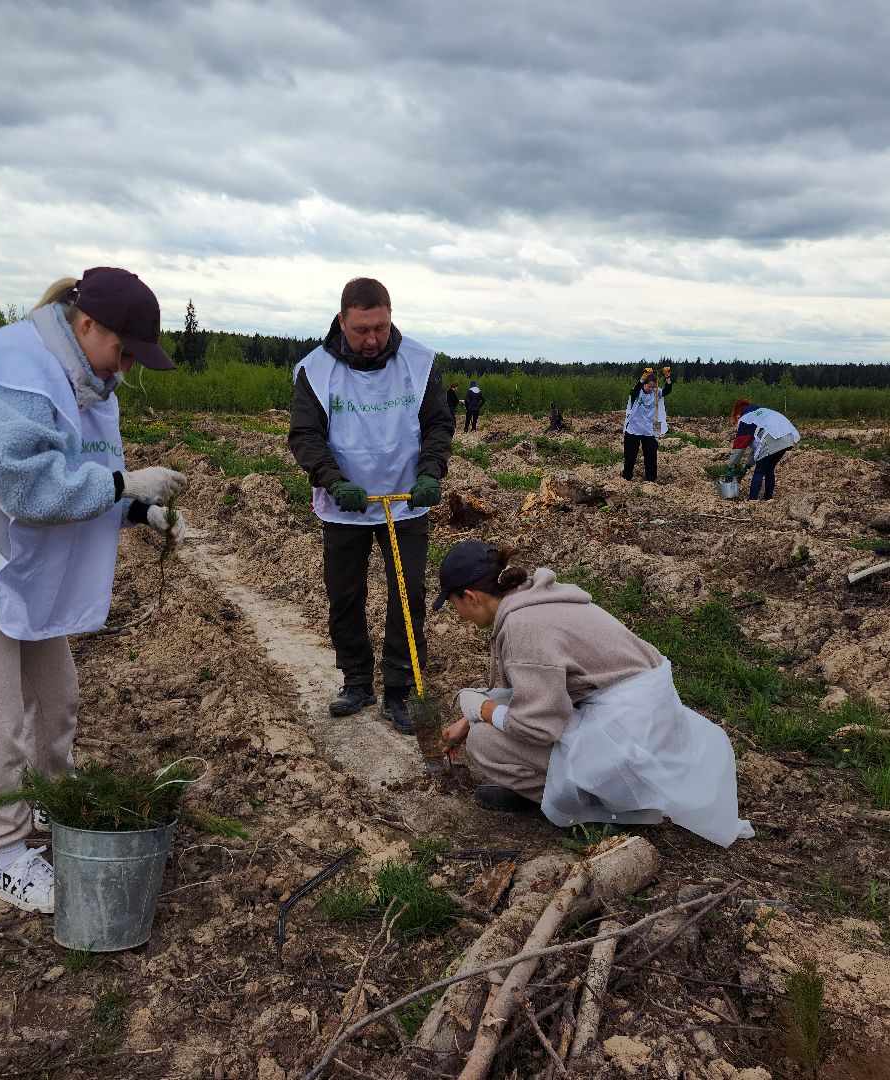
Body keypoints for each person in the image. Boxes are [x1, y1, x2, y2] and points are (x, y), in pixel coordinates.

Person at [0, 267, 186, 914]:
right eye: (124, 352)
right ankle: (9, 855)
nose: (126, 370)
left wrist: (137, 511)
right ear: (87, 326)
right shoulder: (16, 366)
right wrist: (125, 488)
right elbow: (27, 485)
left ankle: (57, 805)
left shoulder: (85, 374)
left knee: (56, 699)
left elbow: (85, 466)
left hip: (19, 566)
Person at [434, 540, 752, 847]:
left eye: (454, 605)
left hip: (628, 744)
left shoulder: (523, 628)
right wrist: (472, 715)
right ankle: (584, 789)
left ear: (470, 596)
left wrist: (482, 711)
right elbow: (538, 690)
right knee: (484, 727)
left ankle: (602, 807)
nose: (458, 614)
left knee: (484, 742)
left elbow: (538, 728)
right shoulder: (533, 600)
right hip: (641, 726)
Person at [288, 277, 455, 734]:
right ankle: (356, 680)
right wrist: (333, 481)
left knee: (408, 595)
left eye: (380, 328)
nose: (371, 339)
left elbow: (438, 424)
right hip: (344, 505)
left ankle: (399, 688)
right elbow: (305, 435)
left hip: (405, 501)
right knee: (345, 596)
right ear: (342, 321)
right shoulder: (315, 370)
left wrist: (431, 471)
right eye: (361, 330)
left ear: (390, 316)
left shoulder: (419, 364)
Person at [728, 399, 800, 501]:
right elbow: (758, 448)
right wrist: (747, 466)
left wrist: (731, 468)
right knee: (769, 468)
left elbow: (739, 447)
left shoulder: (747, 419)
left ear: (738, 414)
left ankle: (752, 500)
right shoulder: (760, 413)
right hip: (787, 436)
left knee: (760, 470)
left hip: (773, 437)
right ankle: (768, 498)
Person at [621, 365, 672, 481]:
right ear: (645, 384)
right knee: (630, 456)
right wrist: (643, 377)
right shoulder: (637, 392)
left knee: (651, 456)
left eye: (654, 387)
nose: (651, 389)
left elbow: (668, 390)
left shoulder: (656, 393)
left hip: (649, 429)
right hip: (634, 428)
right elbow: (635, 390)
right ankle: (626, 478)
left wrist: (667, 376)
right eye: (649, 386)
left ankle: (651, 480)